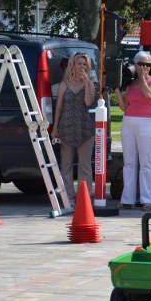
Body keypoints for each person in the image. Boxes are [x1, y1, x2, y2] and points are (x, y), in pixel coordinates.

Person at [115, 51, 151, 211]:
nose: (144, 67)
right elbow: (123, 106)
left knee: (146, 163)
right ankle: (127, 199)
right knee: (129, 162)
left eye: (148, 64)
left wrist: (142, 77)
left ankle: (147, 199)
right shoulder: (130, 84)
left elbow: (148, 94)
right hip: (129, 121)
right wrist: (117, 90)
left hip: (147, 122)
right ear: (135, 64)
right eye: (141, 64)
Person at [51, 53, 95, 201]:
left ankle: (84, 198)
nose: (82, 66)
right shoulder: (64, 84)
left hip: (85, 129)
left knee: (84, 166)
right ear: (73, 65)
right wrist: (55, 127)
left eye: (85, 64)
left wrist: (87, 83)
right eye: (79, 64)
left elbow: (88, 102)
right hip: (66, 129)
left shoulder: (90, 84)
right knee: (66, 165)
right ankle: (68, 198)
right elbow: (59, 107)